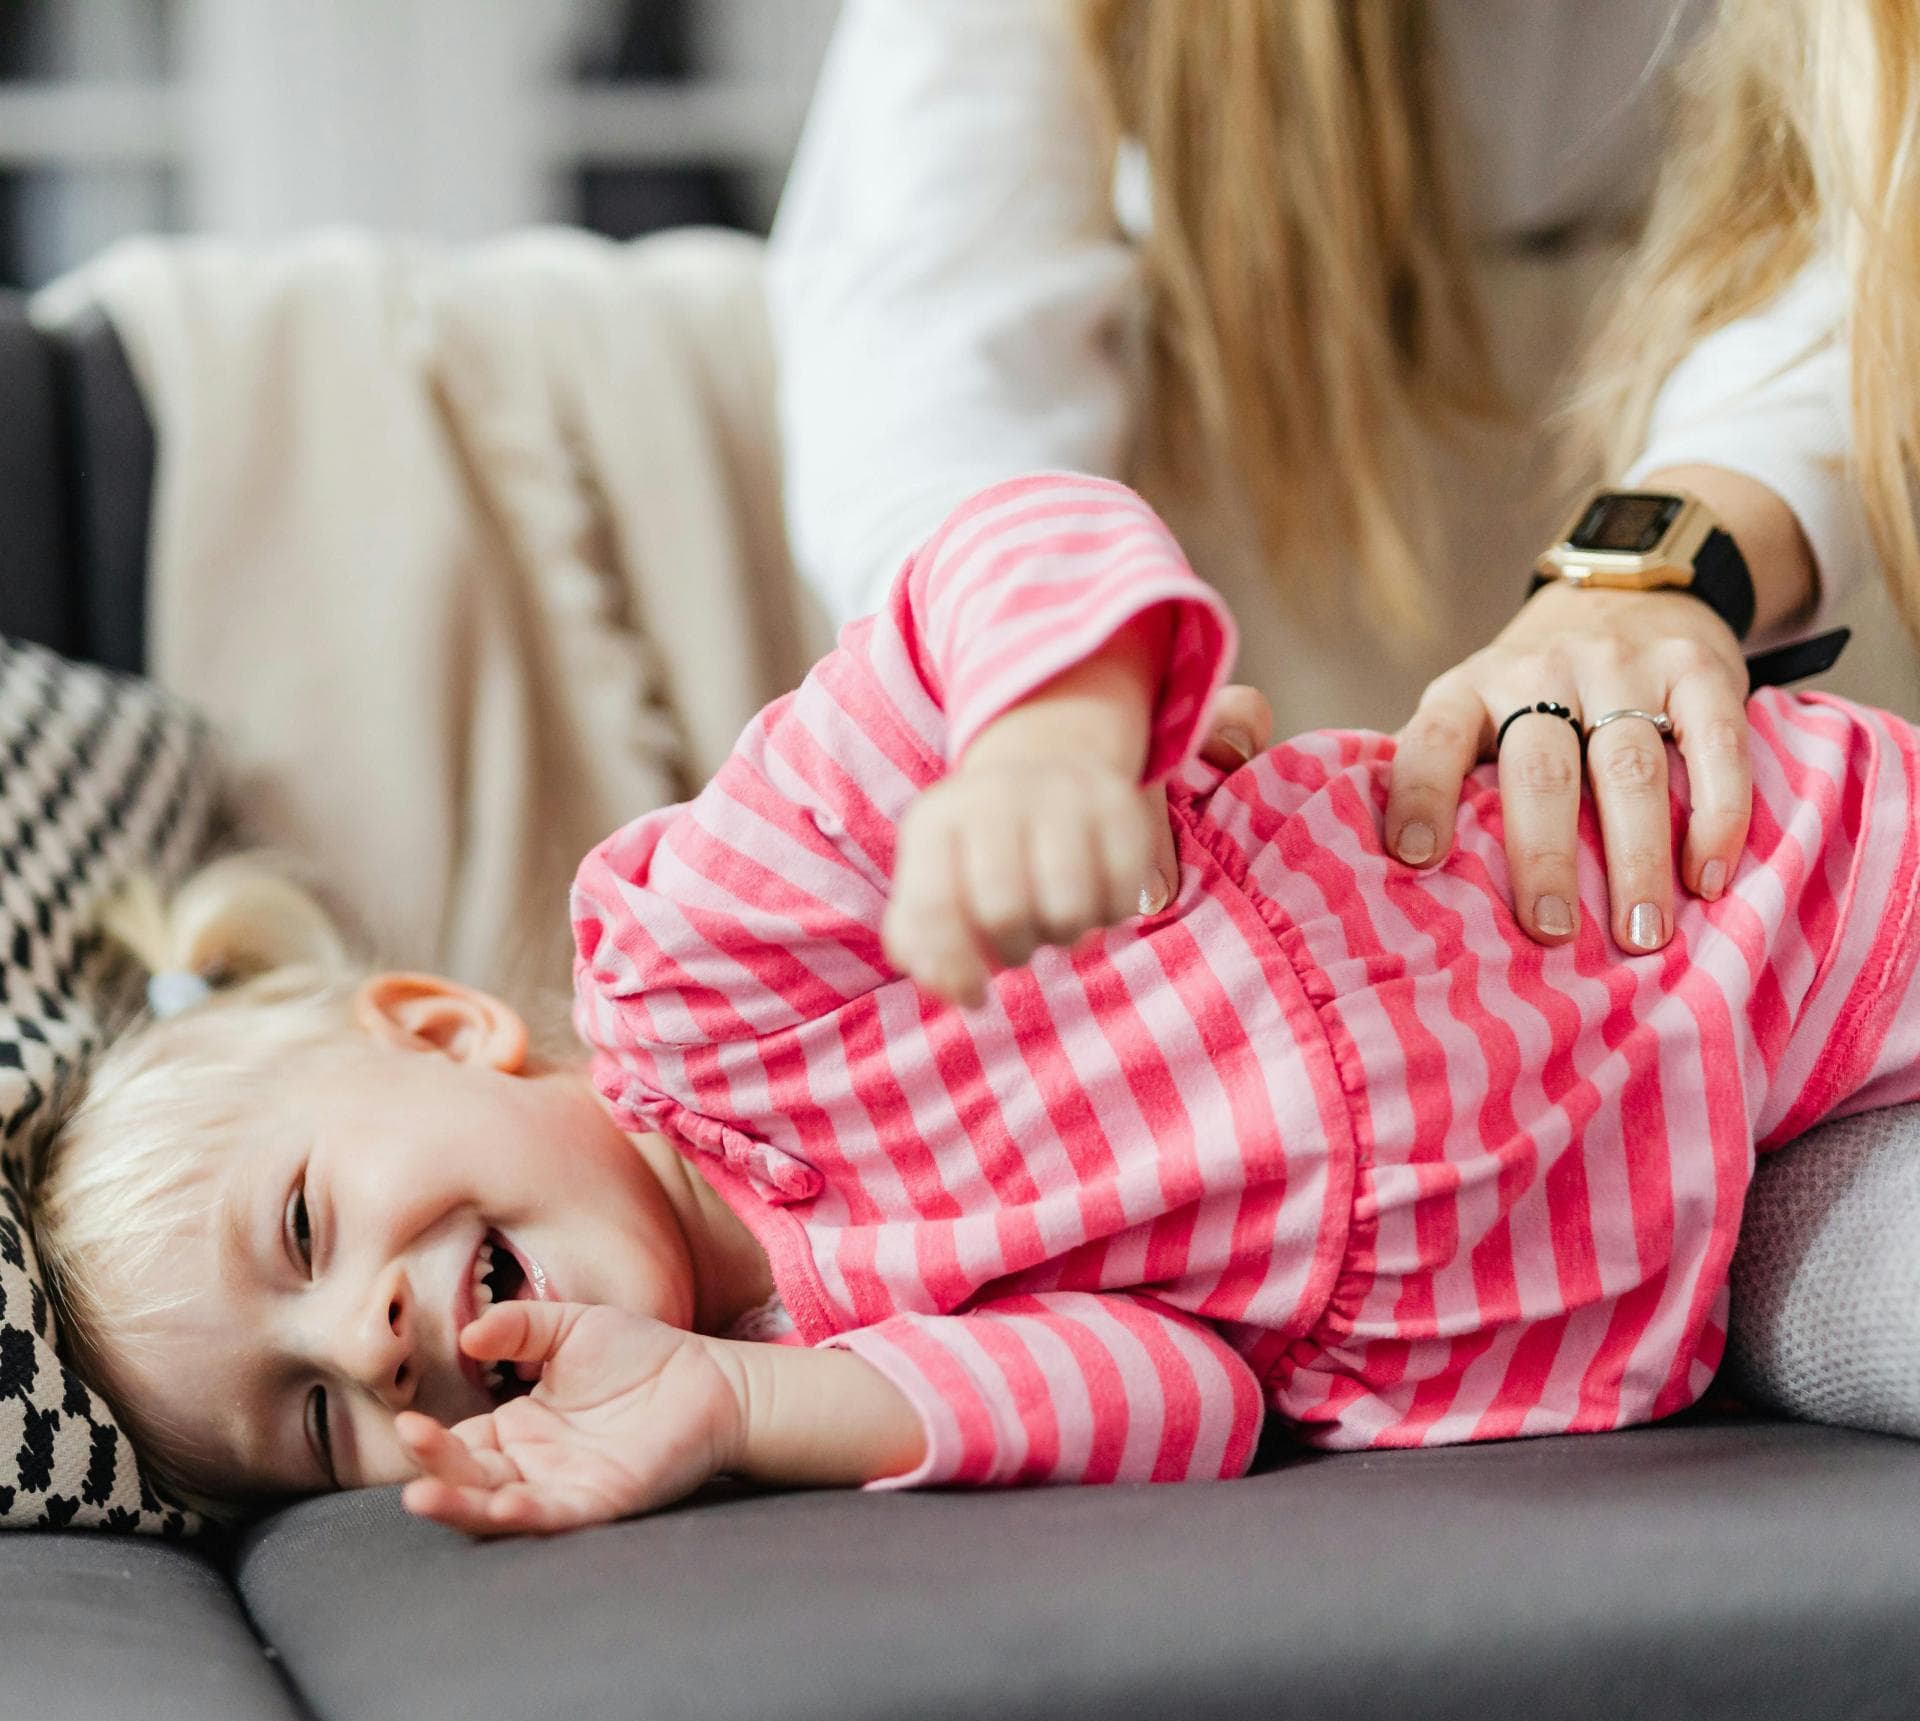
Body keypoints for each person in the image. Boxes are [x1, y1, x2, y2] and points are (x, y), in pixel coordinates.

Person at [32, 474, 1920, 1534]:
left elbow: (1009, 546)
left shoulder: (701, 966)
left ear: (444, 1031)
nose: (366, 1347)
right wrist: (741, 1402)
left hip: (1739, 901)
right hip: (1706, 1244)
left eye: (304, 1229)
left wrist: (1041, 746)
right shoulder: (808, 1369)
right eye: (315, 1422)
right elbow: (1187, 1396)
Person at [768, 0, 1881, 965]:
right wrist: (1049, 665)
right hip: (1240, 512)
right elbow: (931, 316)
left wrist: (1654, 571)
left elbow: (1879, 220)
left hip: (1772, 492)